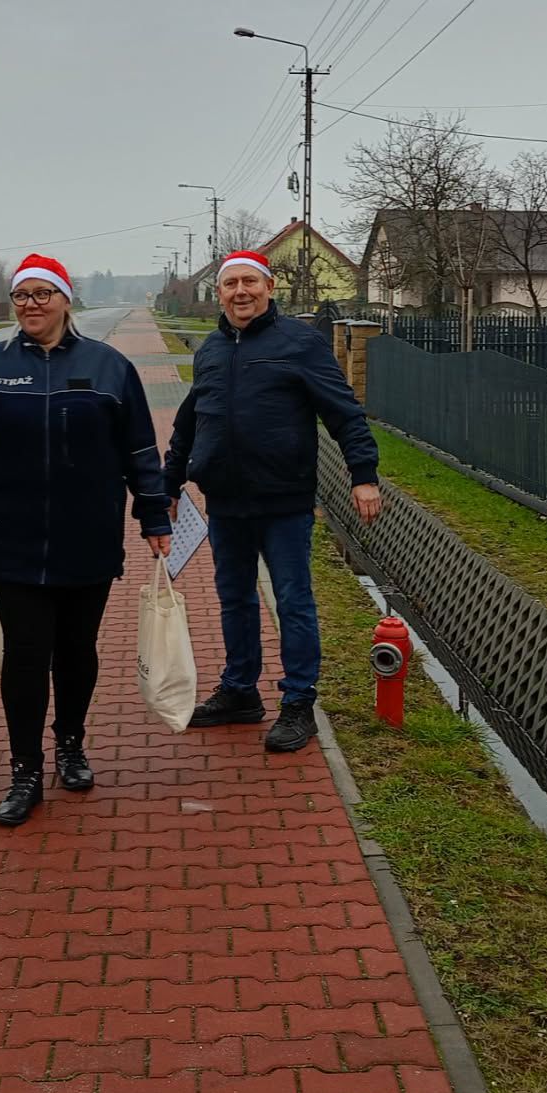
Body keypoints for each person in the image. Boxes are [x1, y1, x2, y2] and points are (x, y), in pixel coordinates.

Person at [0, 255, 172, 825]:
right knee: (24, 656)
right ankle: (25, 770)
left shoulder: (109, 367)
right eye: (22, 295)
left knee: (76, 650)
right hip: (13, 537)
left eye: (43, 294)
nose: (31, 305)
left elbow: (140, 450)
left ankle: (71, 745)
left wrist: (154, 517)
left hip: (88, 535)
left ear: (67, 299)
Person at [163, 249, 381, 753]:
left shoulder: (299, 343)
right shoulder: (212, 347)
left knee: (293, 601)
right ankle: (240, 691)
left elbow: (344, 412)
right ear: (219, 293)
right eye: (230, 284)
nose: (240, 291)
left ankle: (298, 702)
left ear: (269, 287)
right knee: (235, 599)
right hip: (226, 501)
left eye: (250, 282)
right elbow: (191, 420)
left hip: (284, 500)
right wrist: (169, 482)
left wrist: (363, 475)